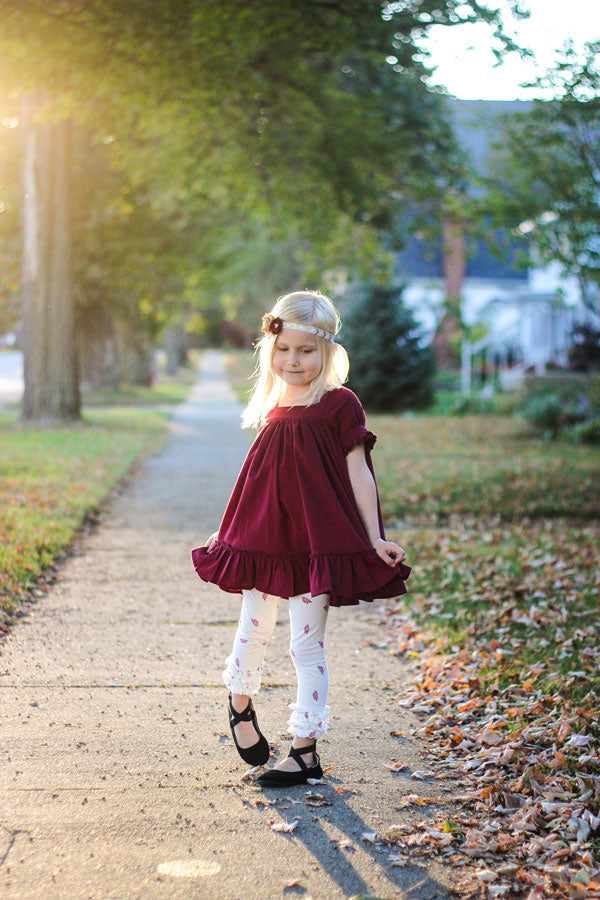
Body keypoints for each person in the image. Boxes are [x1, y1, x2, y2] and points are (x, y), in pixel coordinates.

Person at [190, 290, 411, 787]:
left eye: (306, 351)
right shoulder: (274, 402)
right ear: (271, 348)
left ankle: (305, 749)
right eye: (284, 349)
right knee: (254, 627)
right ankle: (240, 705)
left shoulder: (339, 404)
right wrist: (231, 533)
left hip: (316, 542)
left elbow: (360, 474)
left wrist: (374, 538)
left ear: (328, 351)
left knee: (306, 646)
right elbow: (259, 479)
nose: (294, 360)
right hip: (266, 537)